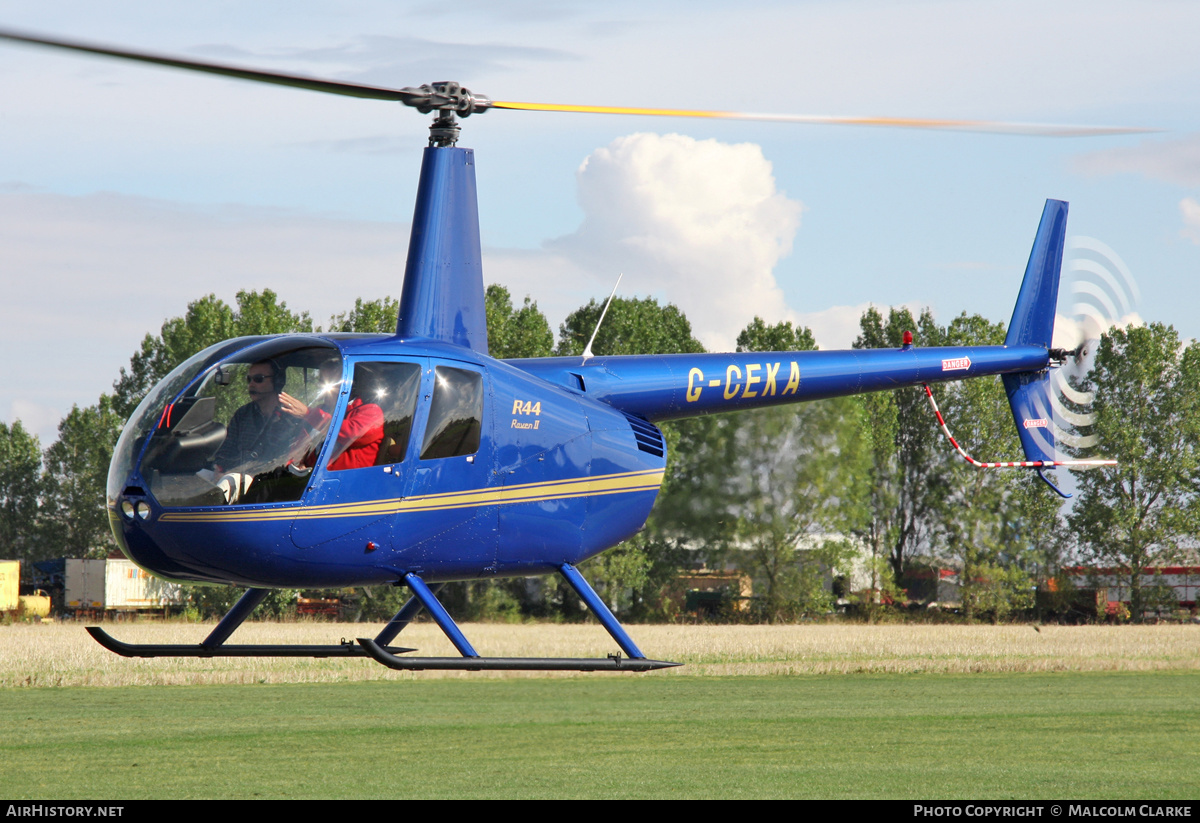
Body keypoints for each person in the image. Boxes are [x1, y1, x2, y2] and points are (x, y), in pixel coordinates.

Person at [207, 360, 303, 502]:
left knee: (229, 481)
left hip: (266, 481)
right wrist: (221, 468)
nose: (251, 384)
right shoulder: (243, 414)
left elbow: (280, 459)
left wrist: (234, 472)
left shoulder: (292, 417)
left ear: (277, 381)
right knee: (196, 477)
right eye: (249, 379)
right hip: (235, 473)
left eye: (258, 379)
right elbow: (226, 449)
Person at [279, 359, 384, 471]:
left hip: (350, 482)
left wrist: (308, 414)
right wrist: (293, 464)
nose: (323, 387)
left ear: (350, 386)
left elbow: (350, 435)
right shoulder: (320, 411)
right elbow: (300, 445)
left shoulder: (371, 412)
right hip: (314, 479)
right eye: (322, 382)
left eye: (331, 382)